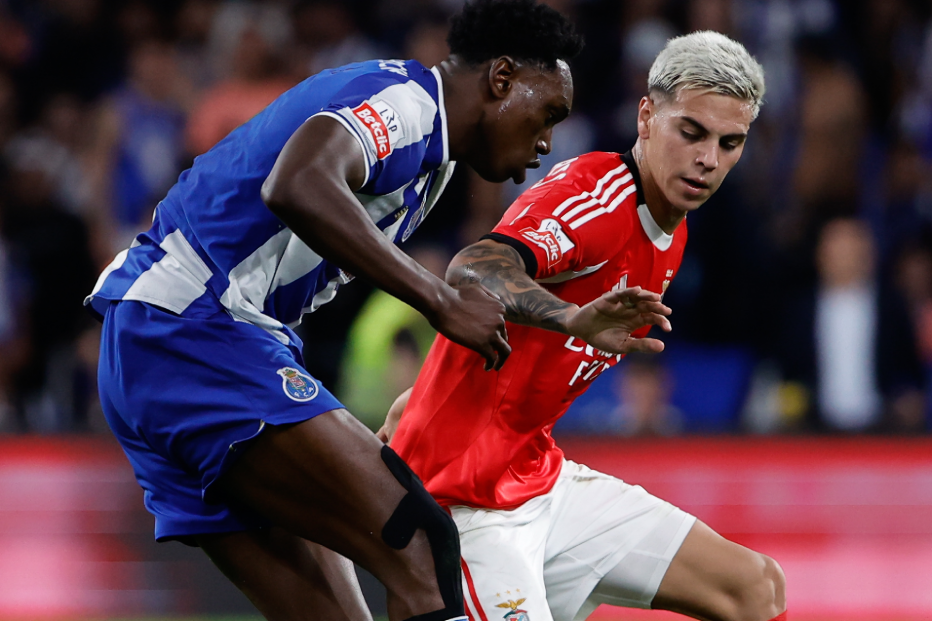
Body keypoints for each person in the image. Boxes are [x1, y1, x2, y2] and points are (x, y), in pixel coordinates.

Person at [83, 1, 583, 619]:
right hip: (189, 331)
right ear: (501, 79)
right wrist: (438, 301)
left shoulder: (433, 165)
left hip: (158, 347)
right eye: (548, 113)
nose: (546, 141)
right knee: (422, 546)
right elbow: (297, 183)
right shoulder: (408, 103)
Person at [384, 32, 787, 621]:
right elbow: (474, 268)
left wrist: (417, 404)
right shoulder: (597, 196)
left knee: (756, 588)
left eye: (731, 143)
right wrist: (570, 317)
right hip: (461, 503)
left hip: (538, 478)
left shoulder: (672, 234)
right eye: (692, 132)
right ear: (647, 116)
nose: (709, 160)